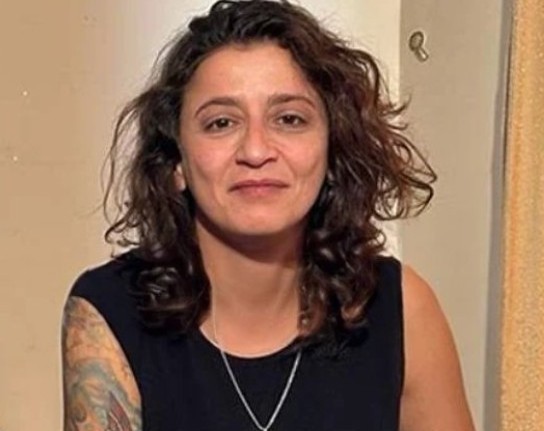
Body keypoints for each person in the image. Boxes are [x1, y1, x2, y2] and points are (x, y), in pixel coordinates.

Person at [61, 1, 475, 430]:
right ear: (175, 161)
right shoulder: (108, 311)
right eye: (221, 123)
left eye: (289, 119)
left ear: (332, 147)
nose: (256, 151)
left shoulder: (401, 308)